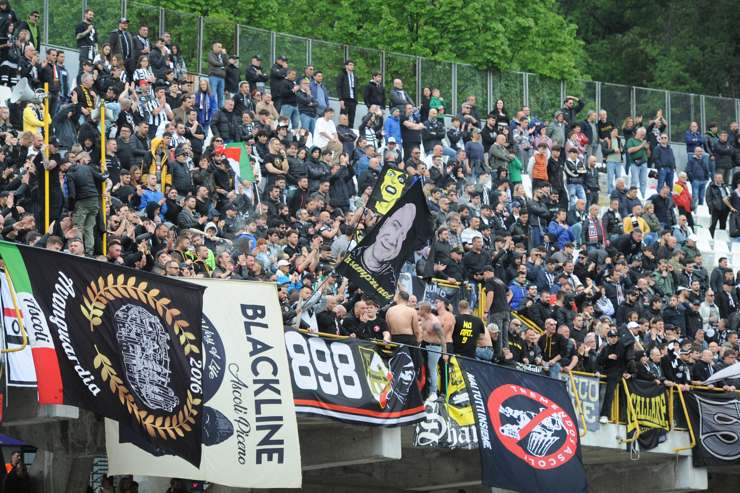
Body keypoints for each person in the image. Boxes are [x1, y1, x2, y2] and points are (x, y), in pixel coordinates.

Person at [597, 328, 635, 423]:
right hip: (606, 371)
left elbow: (627, 357)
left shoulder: (621, 346)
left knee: (610, 392)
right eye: (611, 337)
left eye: (615, 337)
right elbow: (599, 361)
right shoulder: (605, 348)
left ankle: (605, 415)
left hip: (617, 372)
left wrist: (628, 371)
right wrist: (607, 357)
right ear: (608, 338)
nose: (614, 339)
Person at [626, 127, 649, 198]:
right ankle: (633, 196)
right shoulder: (631, 140)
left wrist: (647, 148)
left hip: (644, 163)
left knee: (644, 181)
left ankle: (643, 196)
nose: (643, 136)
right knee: (634, 181)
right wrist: (641, 146)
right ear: (637, 133)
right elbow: (629, 150)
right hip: (634, 163)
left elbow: (648, 155)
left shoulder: (644, 141)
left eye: (644, 135)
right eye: (641, 134)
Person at [336, 59, 357, 127]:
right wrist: (341, 99)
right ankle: (342, 132)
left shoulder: (354, 76)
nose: (352, 66)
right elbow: (339, 87)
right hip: (345, 99)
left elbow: (355, 88)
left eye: (353, 65)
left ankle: (350, 133)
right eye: (350, 65)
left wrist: (356, 100)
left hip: (353, 100)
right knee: (343, 117)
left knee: (351, 119)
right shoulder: (342, 75)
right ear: (346, 66)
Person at [207, 42, 227, 108]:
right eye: (219, 47)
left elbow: (227, 63)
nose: (220, 48)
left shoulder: (222, 55)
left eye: (221, 47)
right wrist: (222, 64)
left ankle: (220, 109)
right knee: (213, 93)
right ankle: (213, 108)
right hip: (214, 76)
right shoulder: (210, 54)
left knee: (221, 95)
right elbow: (214, 62)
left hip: (222, 77)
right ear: (214, 47)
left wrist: (224, 54)